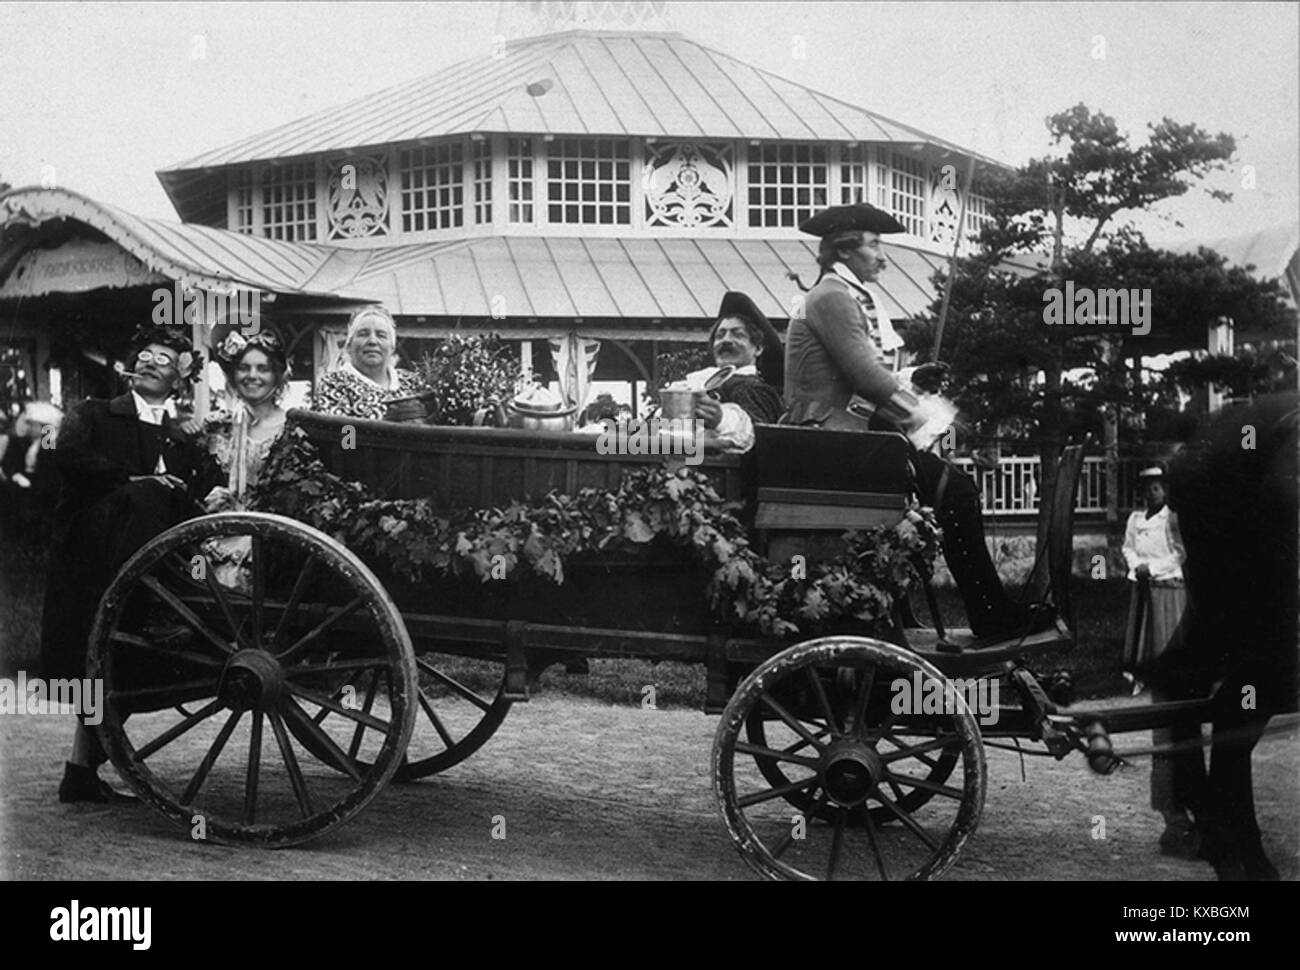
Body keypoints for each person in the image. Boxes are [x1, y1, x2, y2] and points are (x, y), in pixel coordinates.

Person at [783, 203, 1051, 642]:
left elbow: (857, 372)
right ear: (845, 251)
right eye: (873, 245)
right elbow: (867, 379)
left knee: (946, 490)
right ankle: (992, 618)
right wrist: (935, 421)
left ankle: (927, 614)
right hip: (832, 445)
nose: (881, 256)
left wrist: (911, 379)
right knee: (957, 491)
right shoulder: (832, 296)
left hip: (843, 440)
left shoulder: (838, 295)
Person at [40, 324, 224, 803]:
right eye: (144, 355)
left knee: (113, 660)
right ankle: (81, 771)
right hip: (93, 555)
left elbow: (195, 494)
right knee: (92, 652)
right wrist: (133, 479)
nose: (148, 362)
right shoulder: (93, 414)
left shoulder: (183, 436)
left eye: (162, 360)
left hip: (153, 569)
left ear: (181, 380)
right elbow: (64, 457)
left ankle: (80, 772)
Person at [1121, 465, 1195, 856]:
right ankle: (1144, 668)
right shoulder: (1136, 520)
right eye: (1147, 489)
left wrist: (1158, 568)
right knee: (1144, 642)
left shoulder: (1172, 520)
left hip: (1168, 587)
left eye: (1157, 488)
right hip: (1144, 585)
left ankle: (1167, 667)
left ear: (1165, 489)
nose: (1153, 494)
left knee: (1167, 643)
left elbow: (1181, 554)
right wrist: (1138, 567)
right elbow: (1127, 549)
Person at [190, 329, 292, 589]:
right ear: (233, 375)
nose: (252, 376)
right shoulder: (218, 427)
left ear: (277, 376)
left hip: (275, 537)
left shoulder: (294, 428)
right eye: (244, 368)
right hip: (220, 530)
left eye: (263, 368)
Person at [687, 291, 786, 453]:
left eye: (737, 334)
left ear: (758, 348)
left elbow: (758, 441)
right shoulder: (701, 382)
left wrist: (721, 419)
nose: (726, 340)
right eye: (720, 335)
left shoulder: (754, 389)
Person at [312, 305, 426, 420]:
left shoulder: (411, 382)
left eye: (381, 335)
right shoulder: (335, 384)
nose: (372, 341)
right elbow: (342, 434)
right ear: (349, 345)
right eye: (363, 334)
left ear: (392, 347)